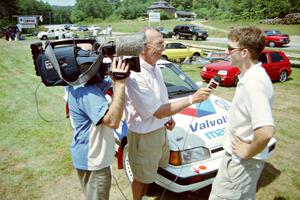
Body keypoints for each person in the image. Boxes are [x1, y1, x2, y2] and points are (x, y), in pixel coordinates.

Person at [124, 28, 212, 200]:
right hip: (145, 136)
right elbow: (157, 111)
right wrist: (192, 99)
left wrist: (168, 117)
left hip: (159, 131)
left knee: (154, 169)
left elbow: (160, 100)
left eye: (163, 42)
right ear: (144, 48)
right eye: (159, 44)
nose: (164, 47)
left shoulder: (155, 66)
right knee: (142, 177)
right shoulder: (136, 74)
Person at [209, 27, 275, 200]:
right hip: (238, 159)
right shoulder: (250, 76)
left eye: (230, 49)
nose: (226, 52)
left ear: (244, 52)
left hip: (241, 162)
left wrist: (248, 151)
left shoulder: (255, 82)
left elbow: (266, 131)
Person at [67, 53, 129, 200]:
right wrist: (120, 84)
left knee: (88, 194)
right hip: (93, 160)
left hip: (88, 157)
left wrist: (116, 70)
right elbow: (113, 121)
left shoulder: (81, 83)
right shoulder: (86, 91)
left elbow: (107, 81)